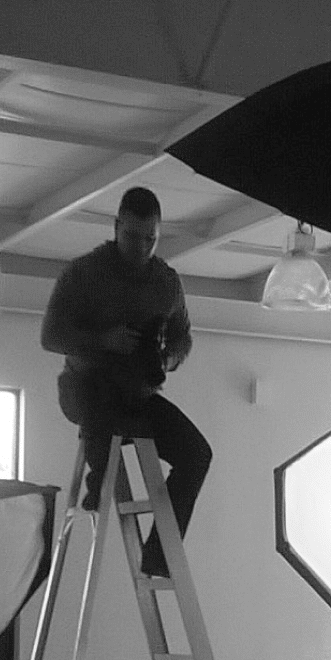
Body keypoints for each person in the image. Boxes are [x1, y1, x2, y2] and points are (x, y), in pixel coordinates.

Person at [41, 186, 212, 577]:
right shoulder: (84, 273)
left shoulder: (166, 282)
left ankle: (158, 555)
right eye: (132, 236)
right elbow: (50, 336)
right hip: (87, 389)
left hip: (139, 394)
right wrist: (104, 340)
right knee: (103, 399)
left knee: (197, 454)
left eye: (150, 239)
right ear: (117, 227)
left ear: (159, 234)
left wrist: (167, 358)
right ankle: (98, 482)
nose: (140, 247)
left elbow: (184, 337)